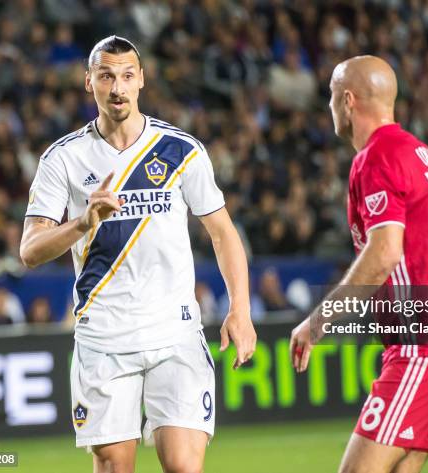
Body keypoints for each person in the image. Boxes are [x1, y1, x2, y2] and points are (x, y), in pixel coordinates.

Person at [20, 36, 256, 473]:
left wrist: (239, 309)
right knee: (114, 467)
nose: (117, 88)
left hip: (176, 332)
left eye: (127, 76)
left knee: (185, 466)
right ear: (87, 81)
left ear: (142, 80)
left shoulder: (180, 150)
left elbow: (223, 232)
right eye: (106, 76)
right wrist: (83, 223)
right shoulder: (62, 159)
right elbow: (30, 251)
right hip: (104, 339)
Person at [289, 56, 428, 473]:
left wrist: (317, 323)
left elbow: (385, 253)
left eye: (333, 98)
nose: (330, 107)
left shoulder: (376, 158)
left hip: (425, 346)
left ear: (348, 101)